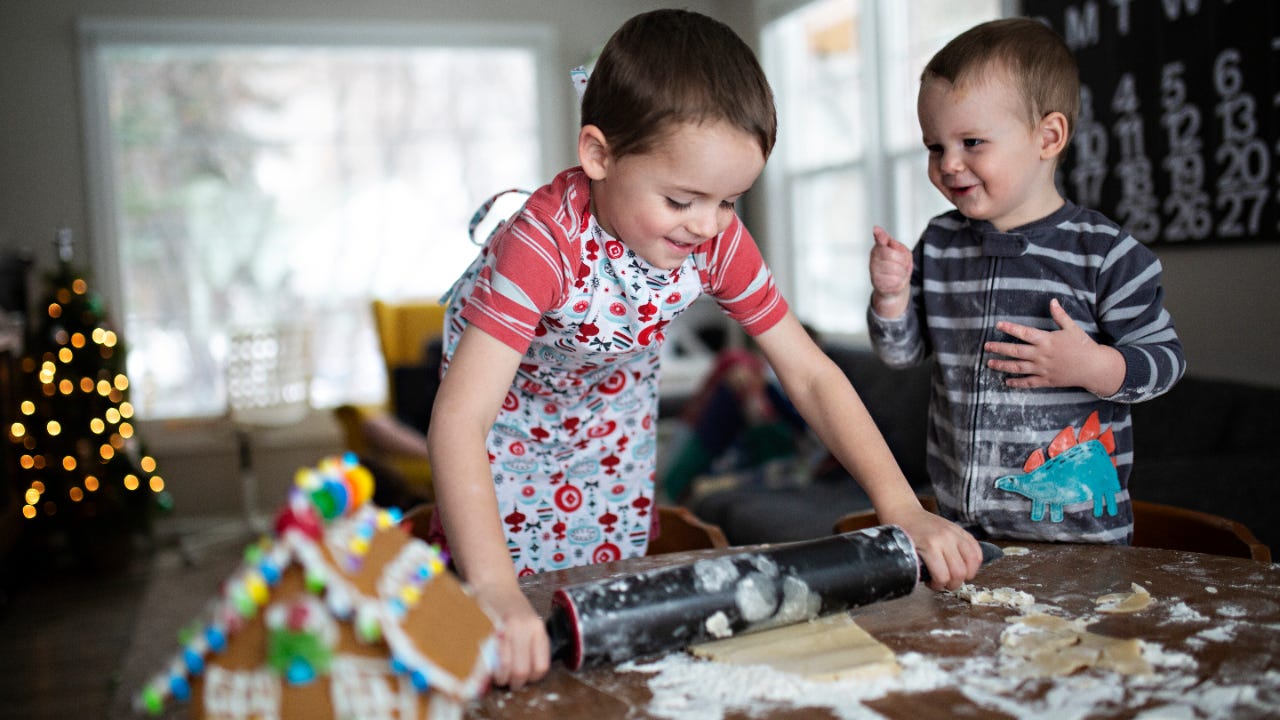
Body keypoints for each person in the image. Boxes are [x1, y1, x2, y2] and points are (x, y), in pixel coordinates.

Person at [428, 8, 982, 689]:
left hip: (607, 415)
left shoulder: (717, 238)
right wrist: (491, 585)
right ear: (598, 155)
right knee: (510, 614)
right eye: (684, 199)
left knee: (596, 610)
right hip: (502, 419)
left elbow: (808, 373)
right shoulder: (539, 246)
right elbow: (460, 420)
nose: (709, 225)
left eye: (730, 201)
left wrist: (901, 507)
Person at [867, 18, 1186, 547]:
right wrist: (892, 297)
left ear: (1048, 136)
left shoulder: (1105, 254)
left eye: (971, 141)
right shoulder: (940, 243)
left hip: (1079, 539)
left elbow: (1166, 362)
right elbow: (901, 354)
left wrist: (1093, 365)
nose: (948, 164)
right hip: (961, 530)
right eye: (933, 146)